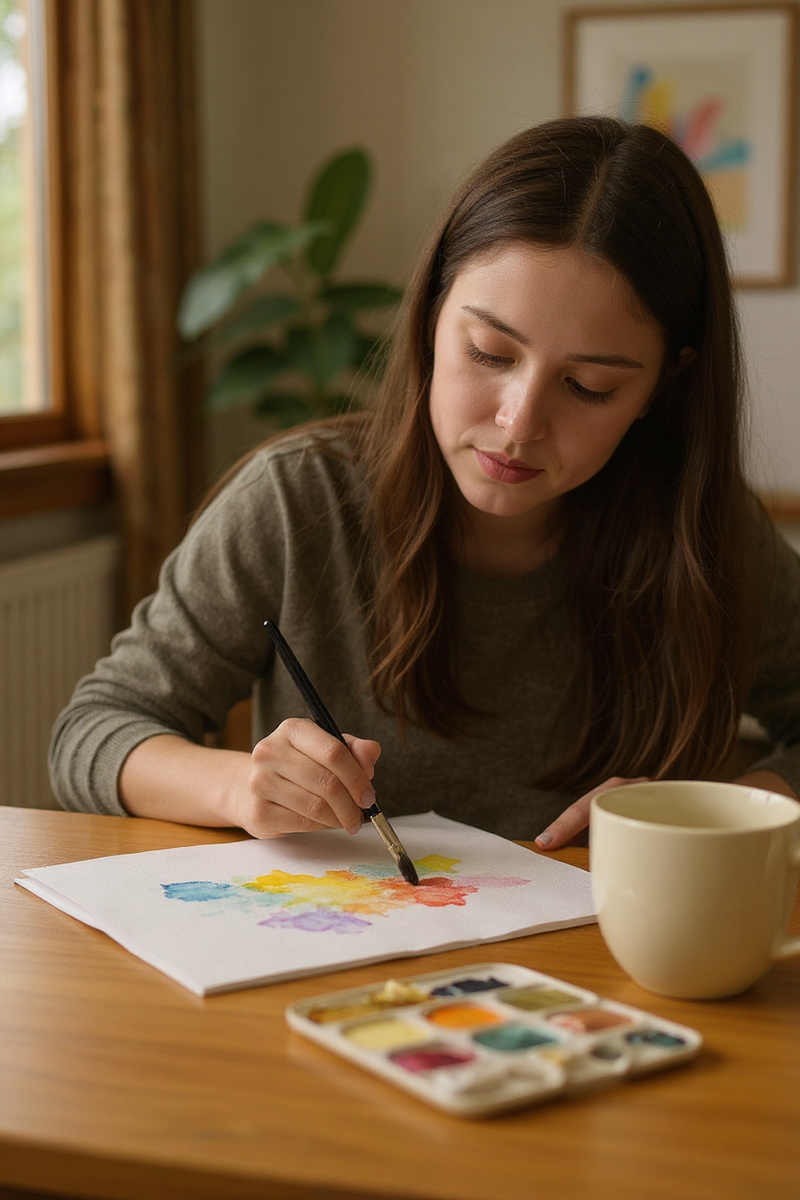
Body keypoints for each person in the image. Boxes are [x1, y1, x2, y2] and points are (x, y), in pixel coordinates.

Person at [50, 116, 800, 849]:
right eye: (489, 352)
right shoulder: (297, 502)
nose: (518, 422)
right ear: (431, 317)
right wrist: (240, 785)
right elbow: (96, 729)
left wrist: (710, 812)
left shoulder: (706, 531)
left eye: (590, 386)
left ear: (666, 387)